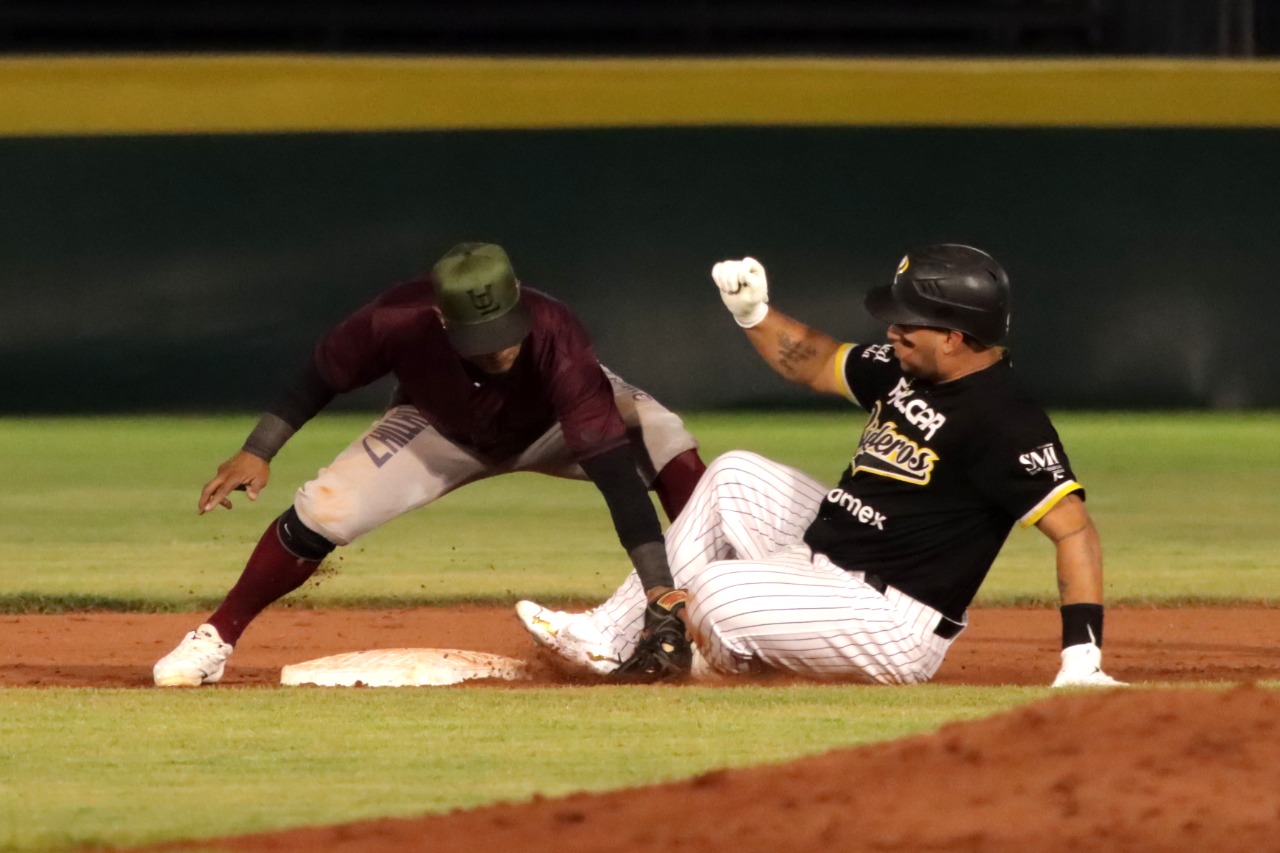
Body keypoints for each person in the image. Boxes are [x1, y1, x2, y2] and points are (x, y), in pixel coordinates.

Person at [517, 244, 1123, 687]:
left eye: (908, 321)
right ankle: (609, 636)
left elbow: (1074, 531)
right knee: (734, 475)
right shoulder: (909, 367)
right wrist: (754, 313)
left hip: (891, 619)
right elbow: (817, 361)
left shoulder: (1004, 419)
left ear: (956, 336)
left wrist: (1081, 660)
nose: (892, 330)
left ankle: (707, 668)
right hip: (825, 558)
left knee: (715, 593)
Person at [153, 242, 705, 686]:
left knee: (663, 436)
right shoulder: (395, 319)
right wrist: (259, 449)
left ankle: (708, 615)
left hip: (552, 426)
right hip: (440, 428)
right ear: (441, 316)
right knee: (324, 509)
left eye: (505, 331)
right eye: (480, 338)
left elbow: (613, 472)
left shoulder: (558, 335)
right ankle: (214, 638)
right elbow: (321, 375)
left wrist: (658, 587)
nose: (499, 350)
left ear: (519, 296)